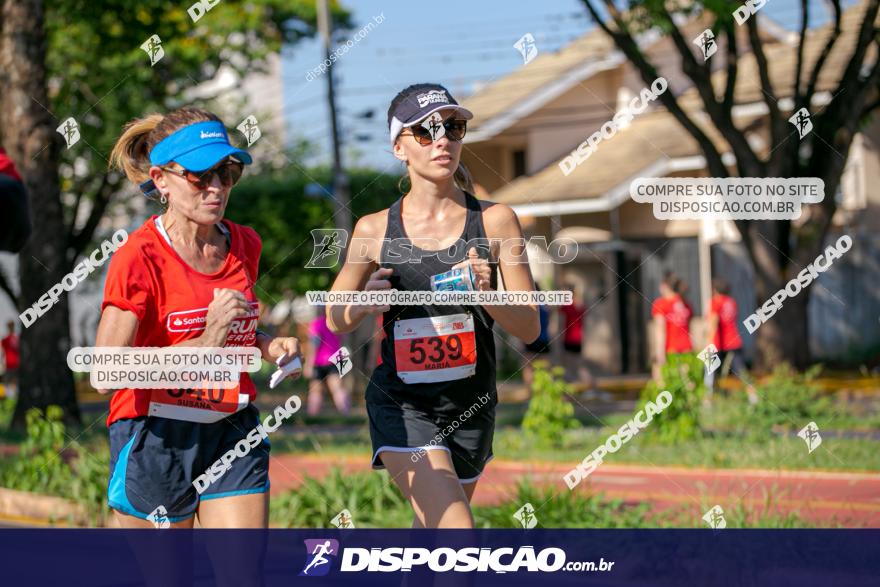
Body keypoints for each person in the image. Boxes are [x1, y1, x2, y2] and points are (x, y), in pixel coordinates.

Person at [326, 83, 539, 528]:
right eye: (426, 131)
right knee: (456, 533)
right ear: (399, 147)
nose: (443, 139)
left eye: (453, 127)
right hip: (403, 404)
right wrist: (362, 304)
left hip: (471, 403)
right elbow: (335, 315)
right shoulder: (374, 229)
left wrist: (488, 296)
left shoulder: (497, 221)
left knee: (432, 537)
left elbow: (530, 327)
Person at [97, 106, 302, 529]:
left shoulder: (244, 243)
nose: (215, 188)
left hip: (230, 425)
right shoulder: (138, 256)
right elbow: (104, 372)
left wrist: (266, 344)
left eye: (226, 173)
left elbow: (235, 328)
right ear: (161, 180)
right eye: (199, 175)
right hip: (154, 433)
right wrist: (206, 342)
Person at [705, 278, 756, 403]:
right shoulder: (731, 302)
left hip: (717, 342)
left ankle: (707, 400)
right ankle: (753, 396)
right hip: (734, 341)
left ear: (715, 289)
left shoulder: (715, 302)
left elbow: (714, 323)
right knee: (741, 370)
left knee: (709, 372)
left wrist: (708, 343)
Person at [304, 307, 350, 416]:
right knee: (338, 388)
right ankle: (346, 414)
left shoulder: (316, 324)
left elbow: (314, 344)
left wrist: (308, 364)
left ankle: (312, 415)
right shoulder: (336, 323)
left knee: (316, 390)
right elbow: (342, 340)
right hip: (335, 359)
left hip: (319, 361)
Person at [651, 272, 693, 381]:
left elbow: (660, 330)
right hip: (686, 348)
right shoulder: (685, 303)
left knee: (665, 383)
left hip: (670, 349)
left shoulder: (661, 304)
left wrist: (659, 354)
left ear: (664, 286)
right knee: (686, 382)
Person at [522, 285, 551, 392]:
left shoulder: (530, 303)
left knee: (528, 366)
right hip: (544, 338)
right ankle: (544, 390)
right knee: (544, 368)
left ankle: (529, 391)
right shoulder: (545, 305)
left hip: (532, 338)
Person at [1, 321, 20, 399]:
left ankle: (14, 398)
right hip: (8, 364)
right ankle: (6, 398)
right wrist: (2, 363)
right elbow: (2, 352)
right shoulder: (5, 340)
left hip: (16, 364)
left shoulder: (17, 339)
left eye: (11, 326)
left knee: (15, 382)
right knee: (6, 383)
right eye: (10, 326)